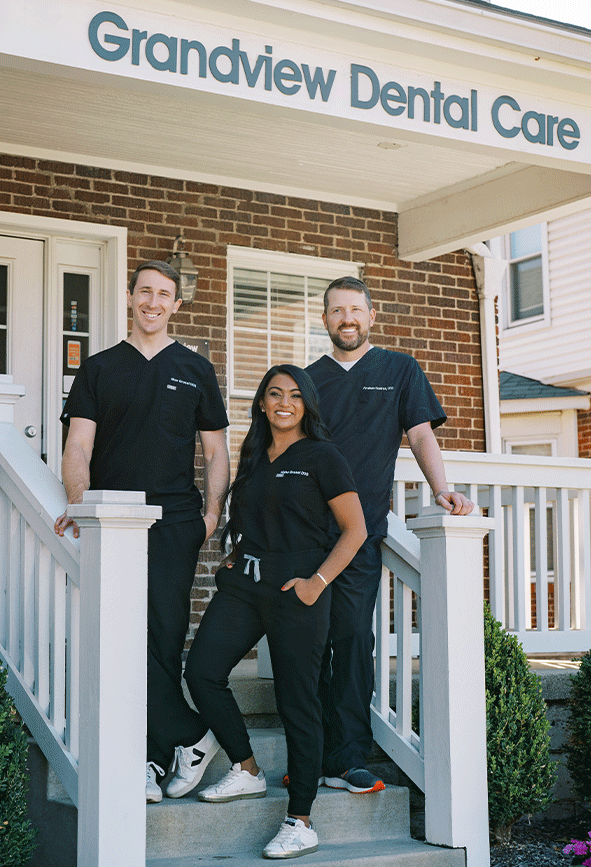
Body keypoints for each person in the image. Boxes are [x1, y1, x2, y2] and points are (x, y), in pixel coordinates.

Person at [54, 260, 230, 804]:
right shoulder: (101, 368)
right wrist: (82, 506)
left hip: (177, 521)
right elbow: (78, 447)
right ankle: (191, 737)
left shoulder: (195, 369)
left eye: (165, 295)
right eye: (145, 292)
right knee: (122, 635)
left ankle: (152, 760)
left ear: (177, 305)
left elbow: (217, 451)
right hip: (114, 520)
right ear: (129, 297)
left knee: (163, 634)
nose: (154, 302)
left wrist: (210, 514)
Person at [184, 364, 367, 859]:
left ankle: (301, 819)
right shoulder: (254, 454)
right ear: (262, 403)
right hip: (244, 585)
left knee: (297, 702)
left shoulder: (322, 456)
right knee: (201, 671)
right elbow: (250, 516)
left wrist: (317, 583)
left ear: (307, 404)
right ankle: (245, 768)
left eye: (294, 395)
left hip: (297, 590)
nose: (283, 402)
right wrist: (234, 553)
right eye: (273, 394)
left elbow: (355, 530)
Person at [304, 275, 474, 795]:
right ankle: (308, 756)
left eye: (355, 309)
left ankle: (348, 756)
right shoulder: (308, 380)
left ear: (371, 316)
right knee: (306, 646)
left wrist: (442, 490)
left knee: (354, 639)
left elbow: (420, 433)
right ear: (325, 318)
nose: (346, 318)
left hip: (360, 534)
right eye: (336, 310)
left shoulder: (399, 369)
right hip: (305, 533)